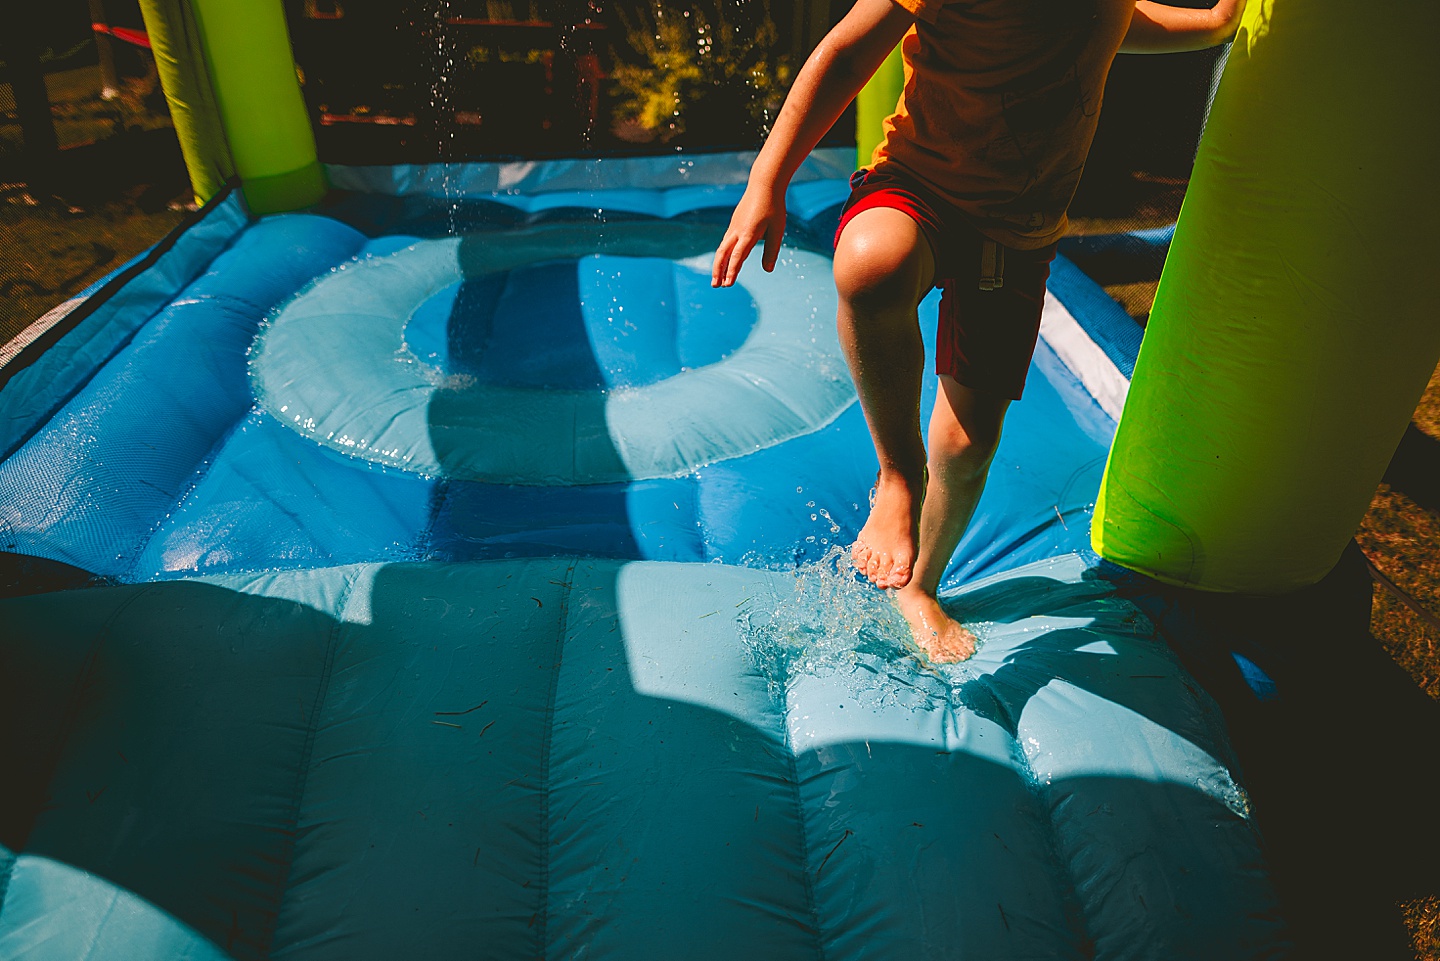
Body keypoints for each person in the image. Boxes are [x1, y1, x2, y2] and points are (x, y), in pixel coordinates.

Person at [712, 0, 1248, 662]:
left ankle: (921, 586)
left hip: (1016, 236)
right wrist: (767, 179)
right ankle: (898, 473)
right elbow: (849, 52)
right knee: (873, 264)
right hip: (918, 183)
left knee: (967, 448)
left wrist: (1214, 24)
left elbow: (1102, 25)